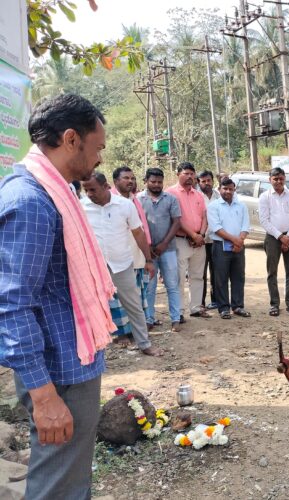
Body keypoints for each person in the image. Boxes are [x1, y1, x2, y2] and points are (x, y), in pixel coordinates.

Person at [0, 94, 115, 499]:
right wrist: (44, 395)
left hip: (70, 363)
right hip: (57, 375)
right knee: (58, 487)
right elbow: (11, 306)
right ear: (71, 139)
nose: (100, 159)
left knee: (70, 480)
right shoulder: (31, 201)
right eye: (97, 147)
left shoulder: (52, 193)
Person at [81, 172, 163, 356]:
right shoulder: (81, 206)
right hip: (93, 267)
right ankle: (95, 349)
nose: (89, 194)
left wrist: (148, 260)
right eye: (86, 190)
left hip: (122, 264)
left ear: (105, 187)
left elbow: (139, 234)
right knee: (91, 306)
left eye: (92, 189)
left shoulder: (125, 206)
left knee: (133, 305)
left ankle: (144, 344)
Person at [138, 167, 183, 331]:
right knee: (149, 286)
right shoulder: (138, 199)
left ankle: (176, 318)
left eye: (159, 182)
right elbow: (136, 226)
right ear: (146, 182)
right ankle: (149, 319)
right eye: (153, 182)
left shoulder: (171, 199)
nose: (157, 185)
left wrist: (164, 243)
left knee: (172, 284)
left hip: (168, 249)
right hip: (147, 252)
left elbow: (176, 222)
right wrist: (147, 247)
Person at [167, 162, 210, 320]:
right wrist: (193, 235)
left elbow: (204, 217)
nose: (190, 176)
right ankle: (178, 312)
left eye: (192, 174)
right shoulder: (170, 193)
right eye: (186, 173)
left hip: (199, 241)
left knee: (198, 275)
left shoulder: (198, 194)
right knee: (179, 278)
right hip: (181, 240)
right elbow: (176, 219)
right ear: (178, 174)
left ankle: (196, 307)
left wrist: (201, 235)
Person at [259, 167, 289, 316]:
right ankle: (274, 304)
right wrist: (280, 236)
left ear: (285, 179)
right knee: (272, 272)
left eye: (281, 178)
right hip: (272, 238)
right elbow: (264, 220)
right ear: (269, 179)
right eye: (275, 178)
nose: (278, 181)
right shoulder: (264, 197)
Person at [207, 177, 250, 319]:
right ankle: (224, 308)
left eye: (231, 189)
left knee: (239, 277)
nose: (228, 191)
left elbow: (245, 226)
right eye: (225, 189)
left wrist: (240, 241)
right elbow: (216, 228)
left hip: (239, 246)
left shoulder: (241, 205)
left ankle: (238, 306)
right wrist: (235, 240)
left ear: (234, 189)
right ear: (219, 190)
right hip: (220, 246)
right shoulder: (213, 206)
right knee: (221, 277)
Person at [112, 166, 152, 314]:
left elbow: (142, 228)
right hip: (119, 259)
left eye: (133, 178)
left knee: (136, 295)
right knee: (119, 298)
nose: (130, 181)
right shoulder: (110, 200)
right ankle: (123, 333)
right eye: (126, 178)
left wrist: (147, 254)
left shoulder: (134, 200)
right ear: (116, 181)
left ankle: (136, 328)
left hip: (137, 256)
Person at [198, 170, 221, 310]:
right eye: (203, 181)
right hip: (200, 241)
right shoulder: (196, 196)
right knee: (200, 273)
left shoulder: (219, 196)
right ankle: (200, 302)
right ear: (198, 182)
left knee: (216, 272)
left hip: (216, 239)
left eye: (209, 180)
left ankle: (216, 300)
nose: (207, 183)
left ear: (212, 181)